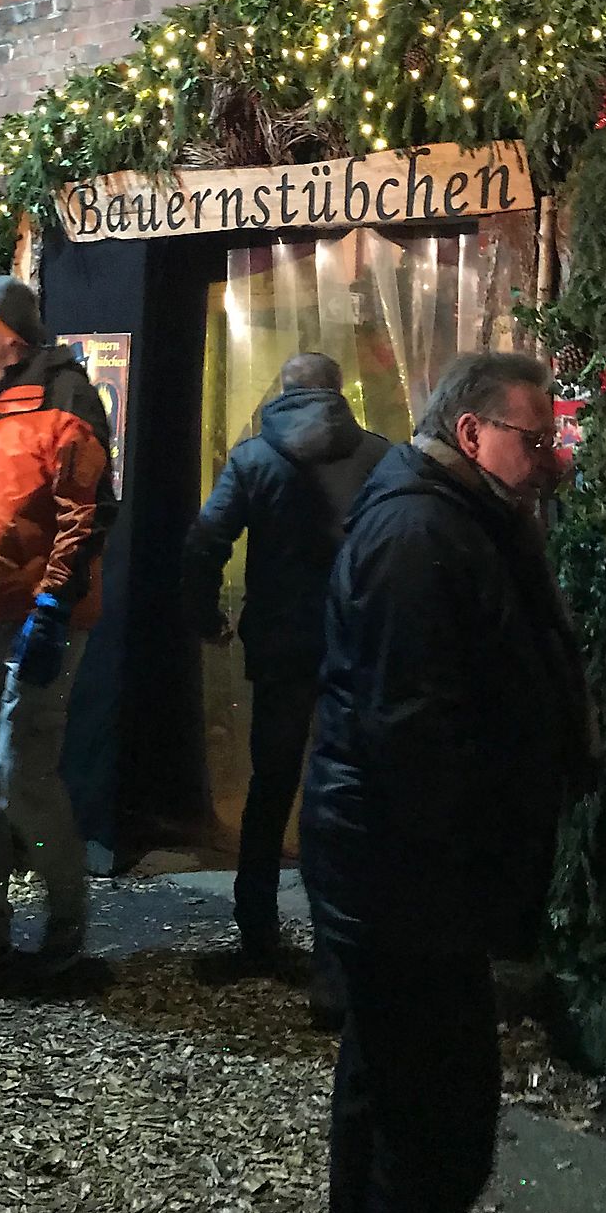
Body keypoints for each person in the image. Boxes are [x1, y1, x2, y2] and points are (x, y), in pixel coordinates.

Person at [301, 351, 596, 1213]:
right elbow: (413, 738)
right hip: (409, 891)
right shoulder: (419, 534)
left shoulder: (460, 516)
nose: (548, 459)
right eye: (533, 439)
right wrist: (470, 873)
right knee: (432, 1124)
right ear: (471, 433)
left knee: (392, 1101)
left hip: (411, 885)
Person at [0, 276, 117, 991]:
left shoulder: (64, 401)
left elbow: (85, 511)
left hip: (36, 623)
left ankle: (65, 926)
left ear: (8, 333)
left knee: (20, 779)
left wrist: (53, 606)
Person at [182, 352, 387, 986]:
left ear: (283, 391)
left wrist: (205, 614)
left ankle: (257, 933)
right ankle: (340, 947)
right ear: (338, 392)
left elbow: (205, 540)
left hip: (279, 644)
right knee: (347, 789)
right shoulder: (379, 457)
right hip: (354, 645)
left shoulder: (253, 459)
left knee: (271, 788)